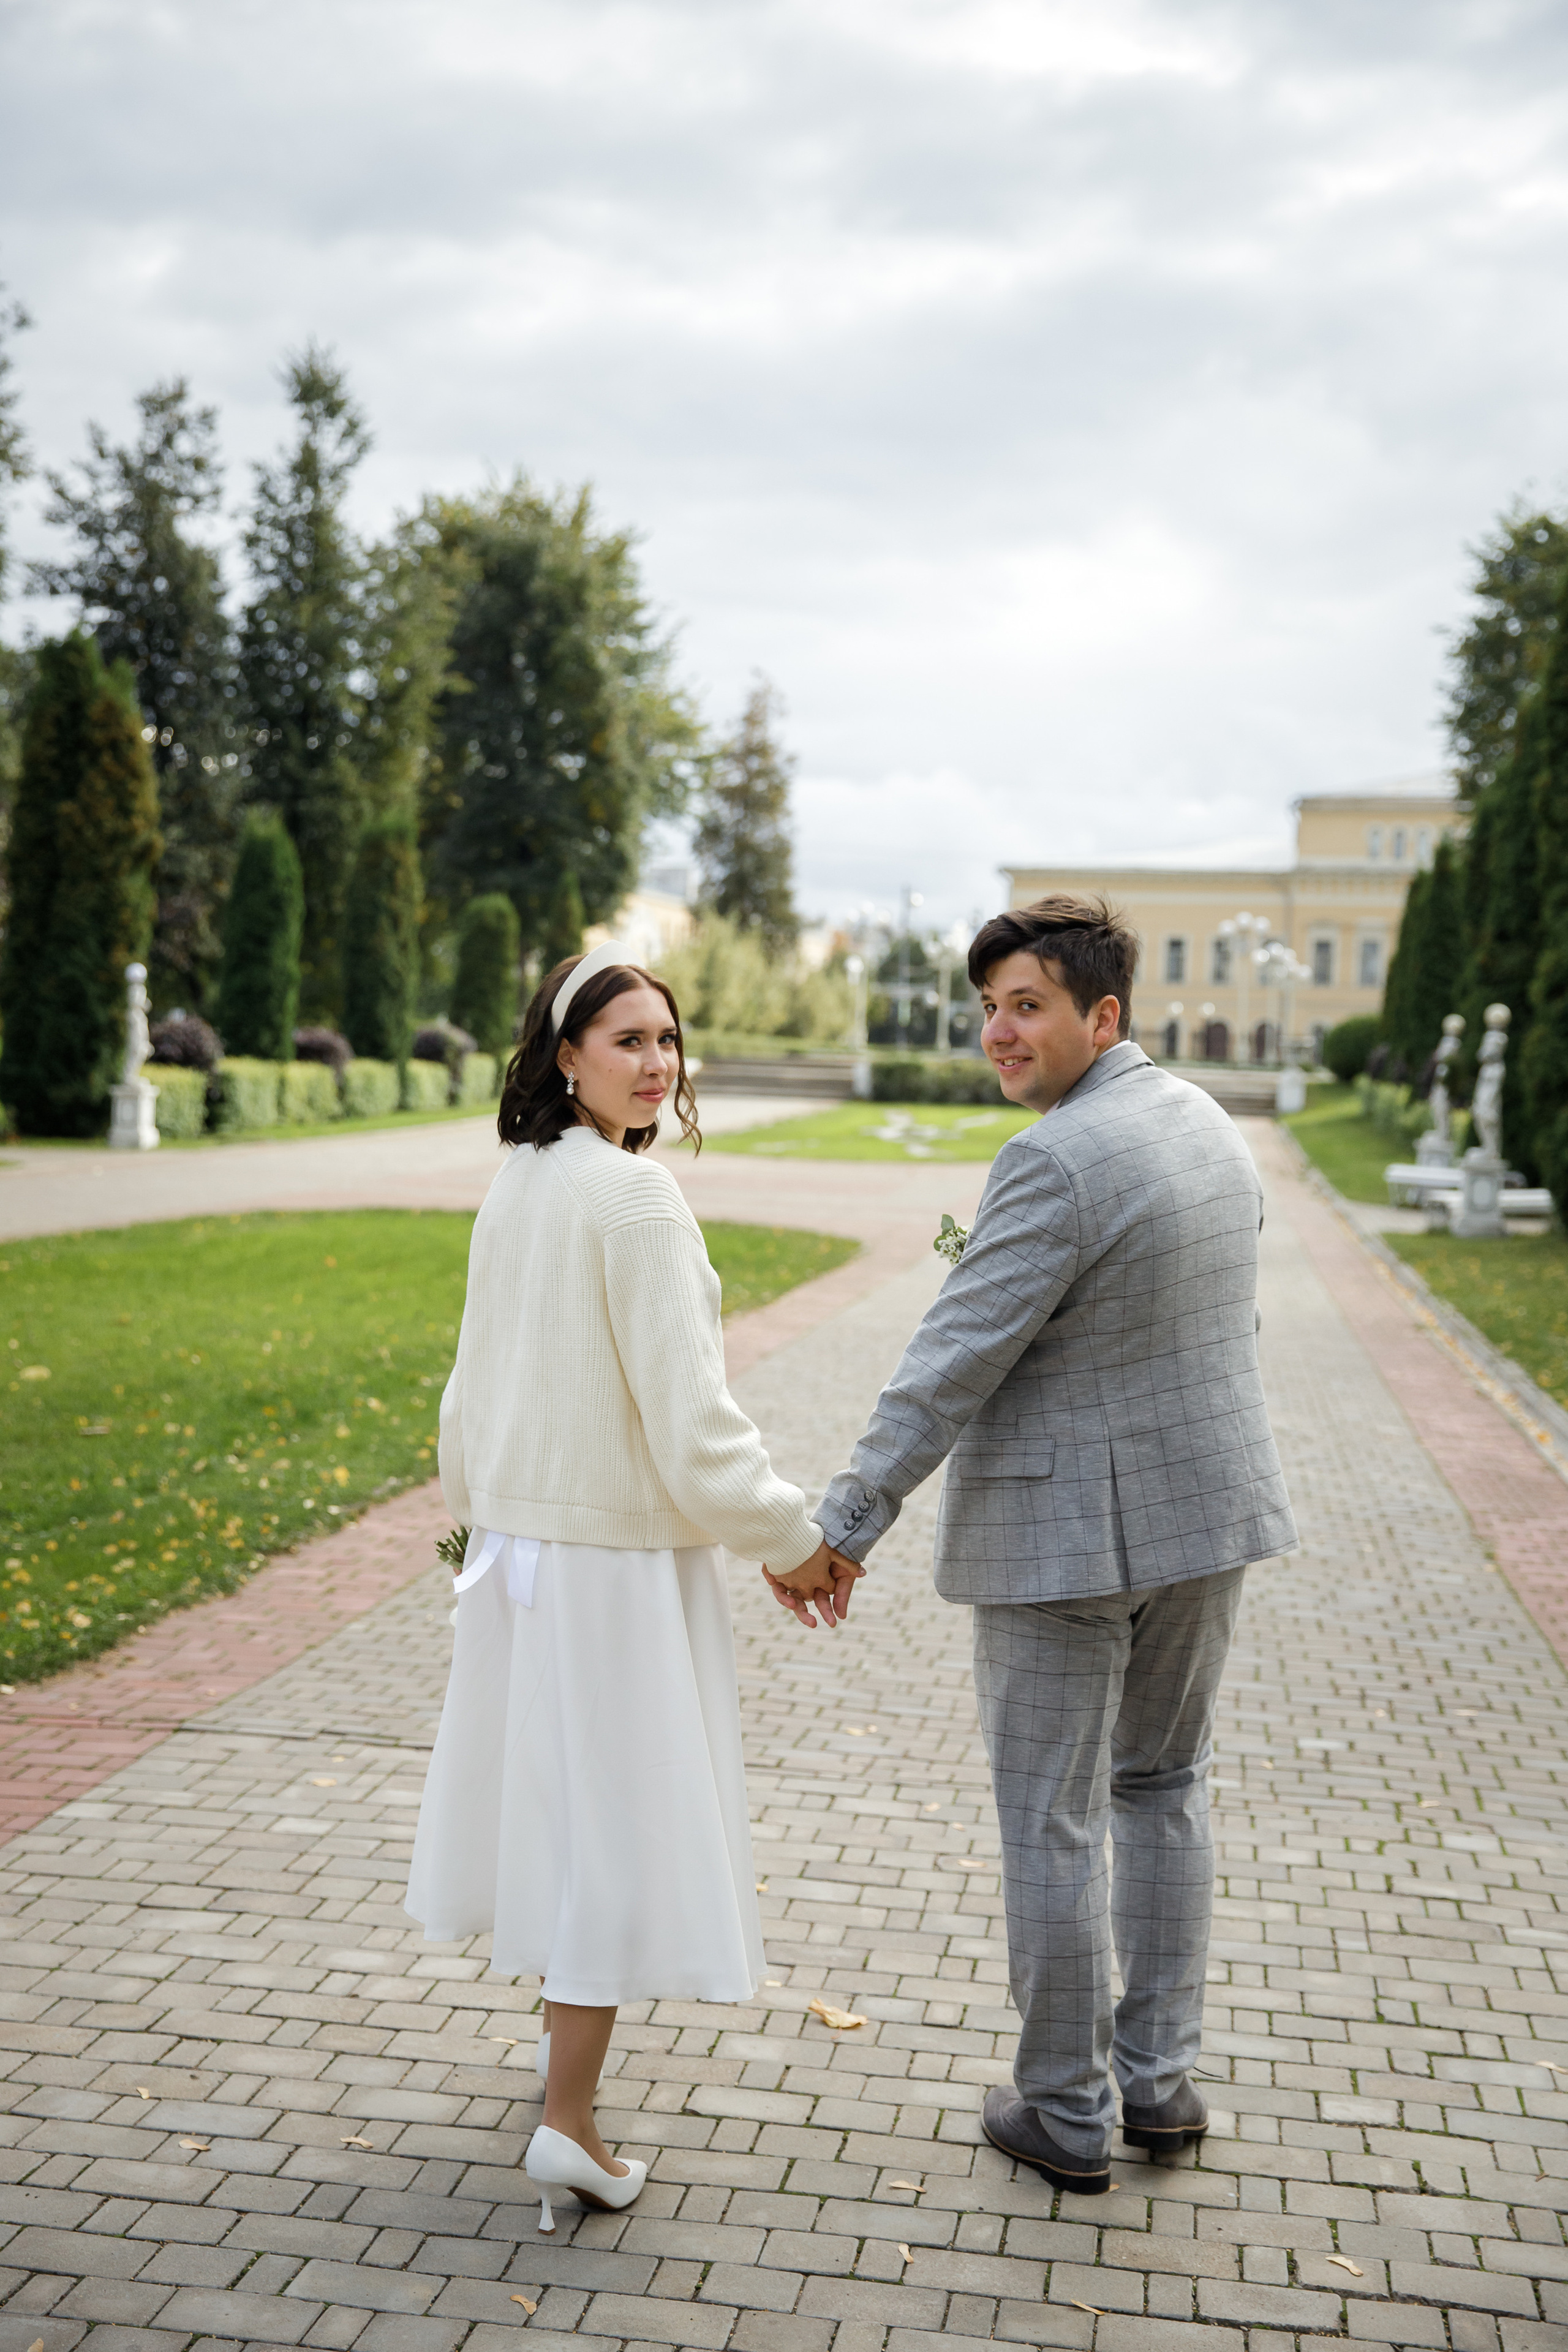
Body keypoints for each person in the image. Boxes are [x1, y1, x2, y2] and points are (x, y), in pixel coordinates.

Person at [787, 895, 1297, 2195]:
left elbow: (950, 1359)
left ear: (1099, 1015)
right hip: (1206, 1523)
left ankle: (1065, 2114)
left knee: (1052, 1823)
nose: (995, 1032)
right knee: (1163, 1791)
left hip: (1067, 1545)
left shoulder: (1052, 1162)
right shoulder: (1201, 1121)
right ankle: (1159, 2083)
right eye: (989, 1007)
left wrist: (843, 1523)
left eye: (1026, 1007)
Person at [406, 940, 851, 2234]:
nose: (656, 1063)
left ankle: (561, 2089)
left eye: (667, 1040)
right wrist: (790, 1538)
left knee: (557, 1815)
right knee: (607, 1832)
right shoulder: (632, 1200)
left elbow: (467, 1386)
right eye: (627, 1041)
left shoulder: (524, 1178)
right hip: (604, 1572)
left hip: (522, 1557)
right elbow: (693, 1422)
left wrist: (474, 1513)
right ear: (563, 1056)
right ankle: (569, 2121)